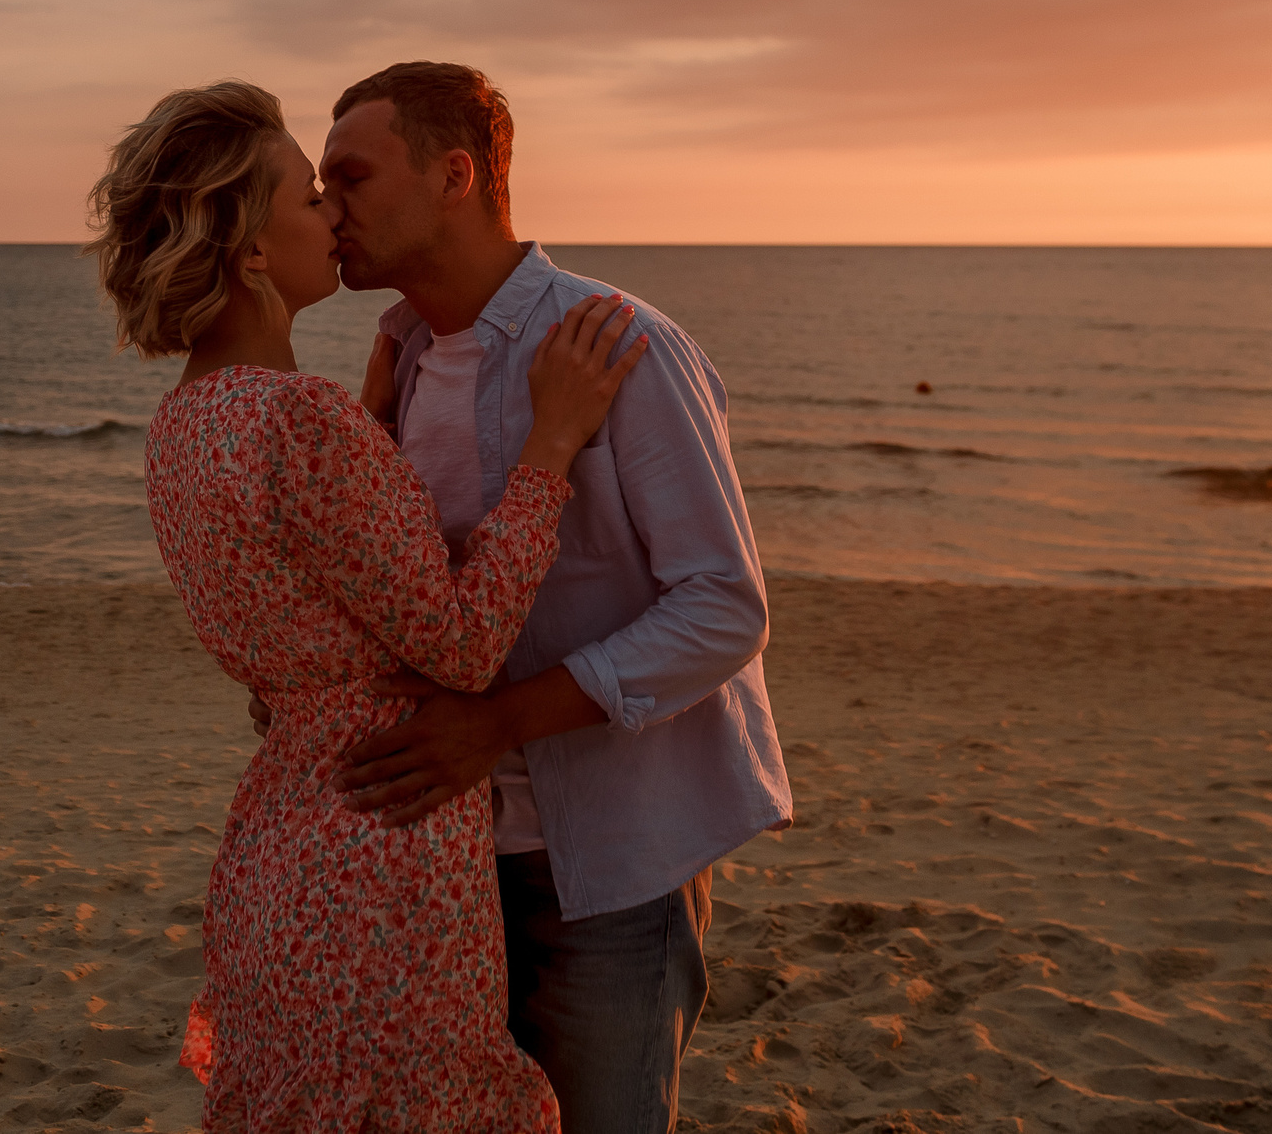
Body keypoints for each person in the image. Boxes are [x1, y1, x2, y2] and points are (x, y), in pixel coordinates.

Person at [87, 79, 650, 1133]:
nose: (331, 216)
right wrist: (551, 442)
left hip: (285, 837)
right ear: (252, 251)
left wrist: (371, 430)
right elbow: (467, 644)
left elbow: (302, 597)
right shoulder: (300, 420)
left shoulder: (186, 425)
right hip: (381, 847)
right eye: (307, 199)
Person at [313, 60, 793, 1134]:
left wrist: (493, 727)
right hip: (437, 866)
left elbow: (723, 609)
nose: (322, 208)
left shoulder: (617, 344)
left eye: (349, 177)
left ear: (454, 175)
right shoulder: (396, 354)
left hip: (608, 868)